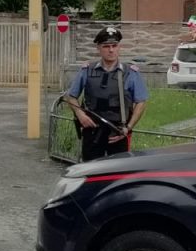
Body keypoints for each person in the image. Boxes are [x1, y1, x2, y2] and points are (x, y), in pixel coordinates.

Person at [63, 25, 148, 161]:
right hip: (92, 131)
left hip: (118, 132)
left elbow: (141, 102)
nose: (111, 50)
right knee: (91, 172)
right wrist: (81, 115)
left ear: (119, 47)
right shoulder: (87, 70)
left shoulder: (131, 73)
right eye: (106, 46)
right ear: (98, 48)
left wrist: (129, 127)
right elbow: (70, 96)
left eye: (114, 46)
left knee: (117, 174)